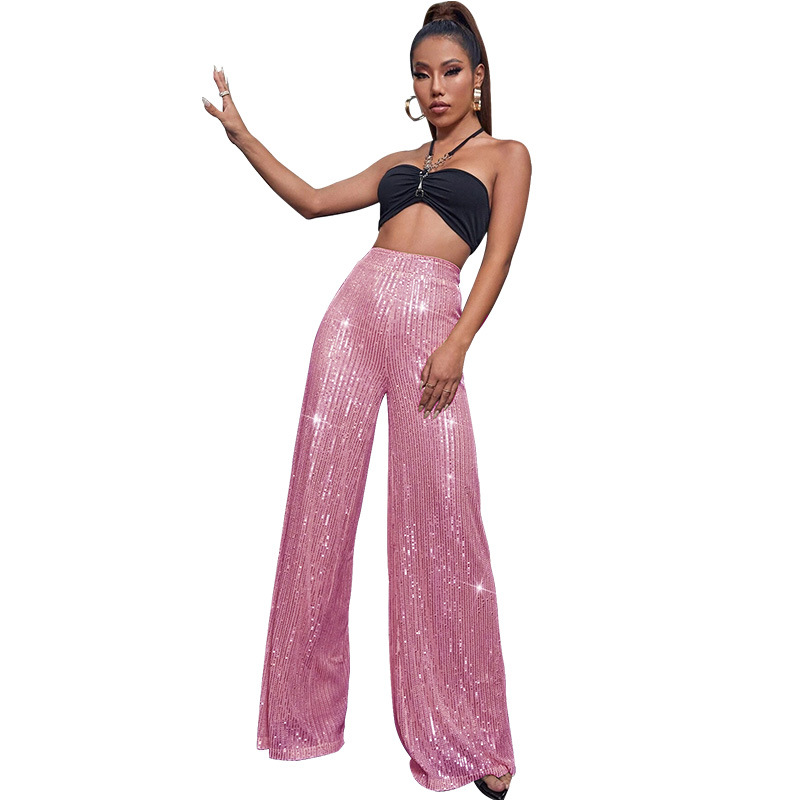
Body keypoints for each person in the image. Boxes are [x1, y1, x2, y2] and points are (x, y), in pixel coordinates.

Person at [203, 3, 530, 796]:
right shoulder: (397, 159)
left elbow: (497, 262)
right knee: (318, 508)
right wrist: (244, 138)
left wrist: (458, 343)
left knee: (446, 520)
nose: (436, 86)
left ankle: (472, 736)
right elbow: (314, 200)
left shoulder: (508, 157)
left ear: (479, 77)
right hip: (352, 316)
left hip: (432, 325)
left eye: (451, 71)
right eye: (422, 74)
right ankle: (303, 722)